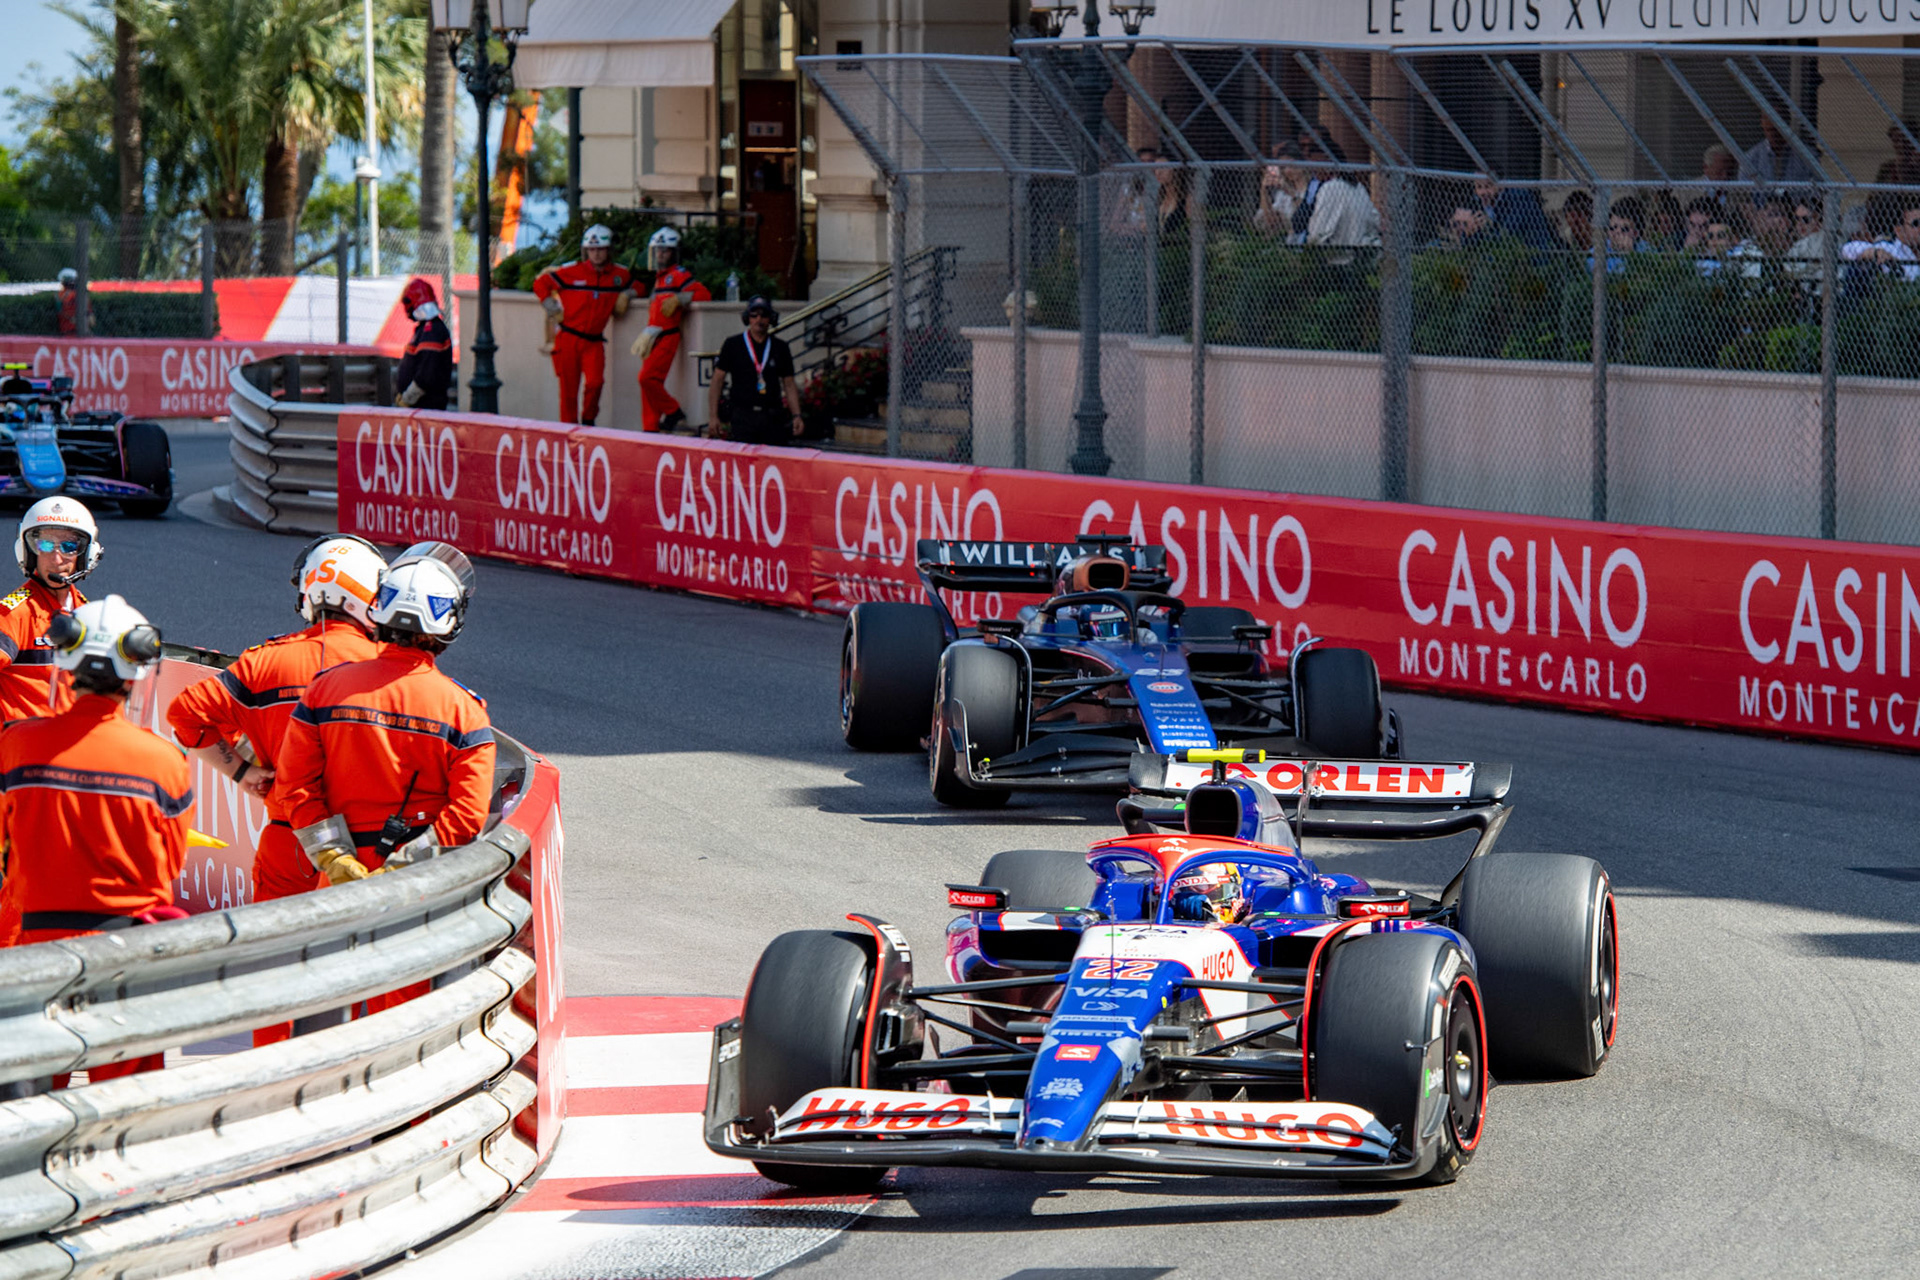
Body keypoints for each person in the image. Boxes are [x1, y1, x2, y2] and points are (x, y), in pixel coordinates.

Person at [165, 535, 386, 1045]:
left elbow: (185, 717)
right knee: (364, 975)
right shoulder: (385, 668)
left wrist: (242, 773)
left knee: (275, 975)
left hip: (288, 837)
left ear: (310, 592)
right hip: (367, 845)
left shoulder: (265, 663)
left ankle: (274, 1083)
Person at [0, 595, 190, 1083]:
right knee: (126, 1101)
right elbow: (170, 864)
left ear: (65, 664)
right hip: (125, 949)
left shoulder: (18, 744)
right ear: (136, 673)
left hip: (37, 943)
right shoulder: (163, 761)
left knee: (31, 1101)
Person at [280, 542, 493, 893]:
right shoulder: (464, 711)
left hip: (337, 886)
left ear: (380, 610)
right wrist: (404, 864)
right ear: (448, 622)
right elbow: (468, 815)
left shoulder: (325, 689)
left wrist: (335, 856)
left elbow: (295, 787)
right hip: (422, 890)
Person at [0, 498, 98, 725]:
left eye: (69, 546)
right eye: (45, 545)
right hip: (23, 753)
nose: (56, 559)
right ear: (29, 552)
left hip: (68, 749)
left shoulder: (86, 611)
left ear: (86, 554)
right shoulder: (14, 613)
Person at [532, 224, 633, 426]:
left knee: (596, 383)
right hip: (568, 339)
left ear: (609, 250)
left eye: (600, 249)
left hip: (594, 342)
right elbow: (540, 283)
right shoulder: (571, 271)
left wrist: (628, 294)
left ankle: (588, 421)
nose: (596, 254)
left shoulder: (618, 275)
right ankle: (568, 432)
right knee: (569, 391)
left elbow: (636, 285)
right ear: (586, 250)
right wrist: (550, 306)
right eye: (592, 250)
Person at [631, 227, 711, 433]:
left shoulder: (678, 275)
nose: (660, 254)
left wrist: (680, 298)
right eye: (658, 250)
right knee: (647, 385)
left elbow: (703, 294)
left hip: (667, 335)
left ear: (674, 252)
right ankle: (650, 427)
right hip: (653, 336)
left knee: (646, 378)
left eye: (665, 250)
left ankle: (674, 411)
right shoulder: (659, 278)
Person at [708, 296, 802, 445]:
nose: (759, 319)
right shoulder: (733, 344)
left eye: (764, 315)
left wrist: (797, 415)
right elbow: (717, 380)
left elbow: (789, 383)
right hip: (743, 416)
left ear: (771, 318)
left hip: (772, 417)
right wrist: (713, 416)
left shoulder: (780, 347)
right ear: (747, 318)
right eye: (754, 315)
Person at [394, 280, 453, 411]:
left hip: (426, 407)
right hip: (421, 406)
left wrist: (407, 398)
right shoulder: (427, 329)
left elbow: (426, 374)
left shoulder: (431, 331)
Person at [1472, 174, 1558, 252]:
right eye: (1479, 187)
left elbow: (1507, 235)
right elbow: (1472, 246)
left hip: (1533, 255)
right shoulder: (1478, 203)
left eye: (1488, 186)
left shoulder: (1518, 199)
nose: (1483, 192)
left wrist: (1485, 227)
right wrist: (1469, 232)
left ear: (1501, 185)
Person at [1739, 116, 1817, 192]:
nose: (1773, 136)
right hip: (1761, 204)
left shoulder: (1806, 156)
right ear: (1762, 124)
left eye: (1777, 130)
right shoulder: (1750, 158)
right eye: (1769, 130)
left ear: (1787, 125)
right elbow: (1743, 193)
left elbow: (1817, 189)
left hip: (1797, 203)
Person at [56, 268, 78, 335]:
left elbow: (59, 310)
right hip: (72, 327)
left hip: (66, 327)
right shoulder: (75, 294)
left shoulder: (59, 294)